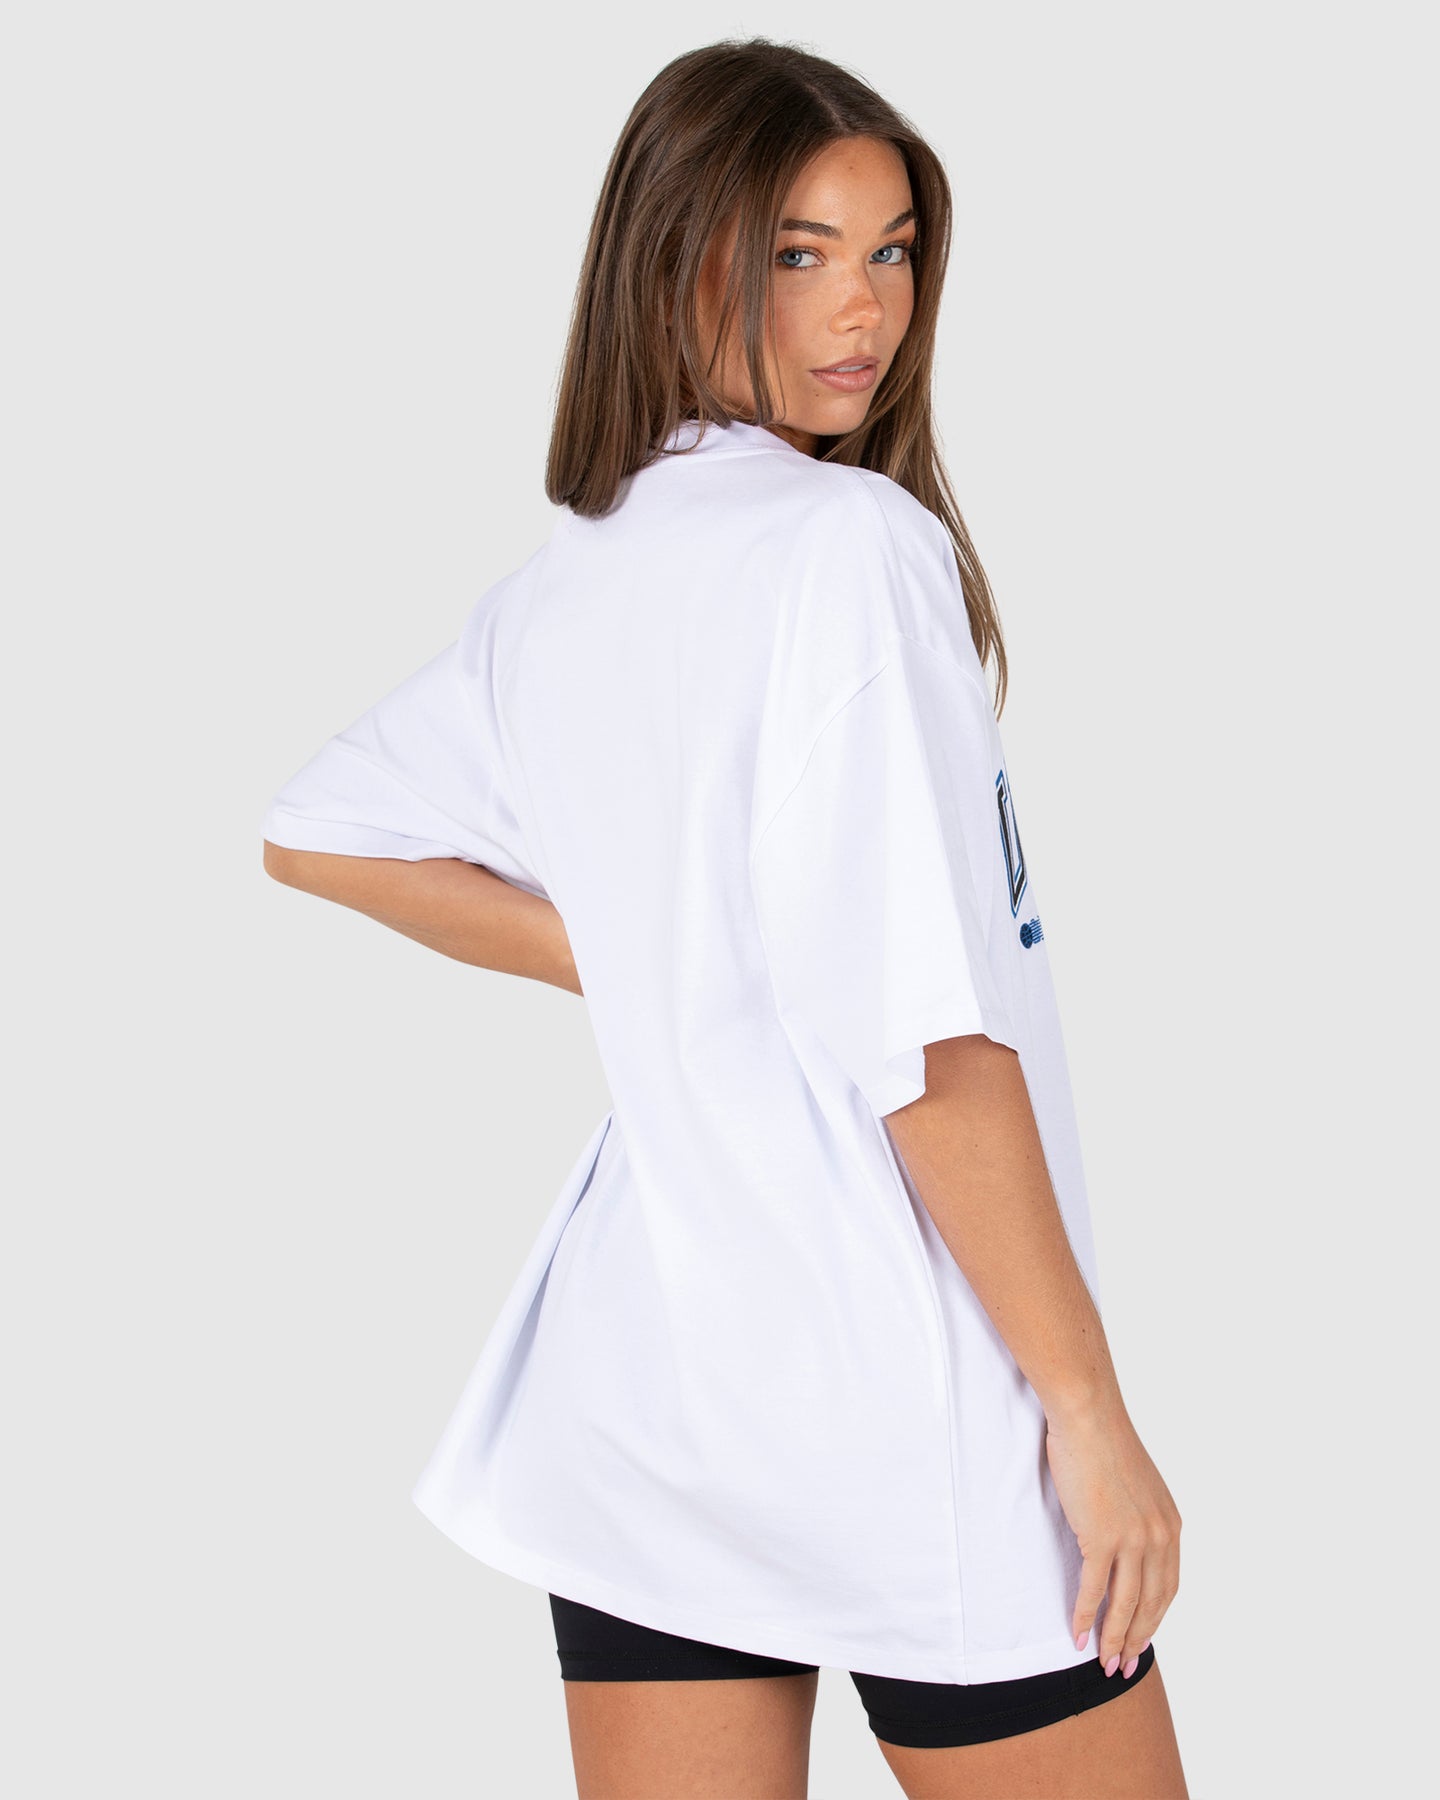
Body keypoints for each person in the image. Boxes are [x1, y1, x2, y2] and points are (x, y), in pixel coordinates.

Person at [261, 36, 1188, 1800]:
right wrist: (1086, 1411)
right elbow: (931, 1048)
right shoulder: (850, 547)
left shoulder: (575, 577)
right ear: (675, 251)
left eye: (891, 249)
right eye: (798, 251)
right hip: (905, 1390)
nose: (865, 307)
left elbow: (318, 832)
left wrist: (665, 955)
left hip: (654, 1401)